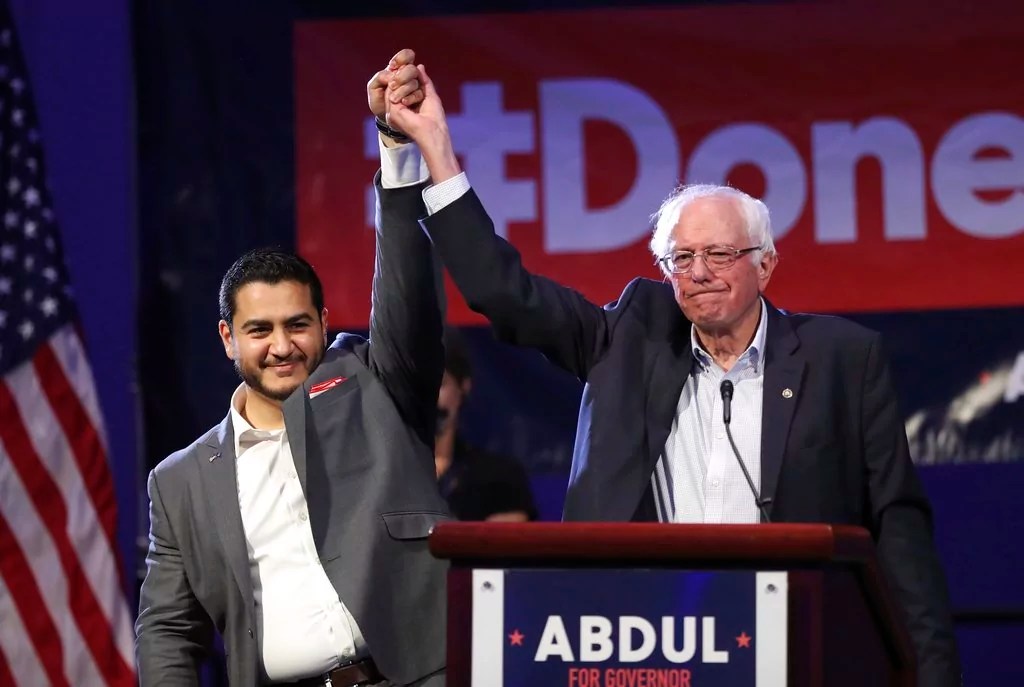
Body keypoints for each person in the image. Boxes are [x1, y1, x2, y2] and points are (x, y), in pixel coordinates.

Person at [370, 51, 962, 684]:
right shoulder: (630, 335)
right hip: (646, 647)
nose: (699, 272)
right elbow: (499, 289)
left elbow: (899, 530)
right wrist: (433, 144)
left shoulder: (842, 359)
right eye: (681, 258)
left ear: (766, 266)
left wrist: (929, 673)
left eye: (720, 253)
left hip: (795, 646)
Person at [135, 55, 448, 687]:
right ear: (228, 338)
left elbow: (408, 297)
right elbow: (167, 629)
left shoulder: (375, 383)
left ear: (325, 323)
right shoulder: (181, 481)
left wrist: (396, 149)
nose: (282, 346)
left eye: (297, 325)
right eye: (259, 330)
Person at [435, 325, 538, 522]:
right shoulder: (386, 478)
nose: (427, 396)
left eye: (439, 384)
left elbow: (510, 546)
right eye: (417, 384)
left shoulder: (499, 478)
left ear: (463, 387)